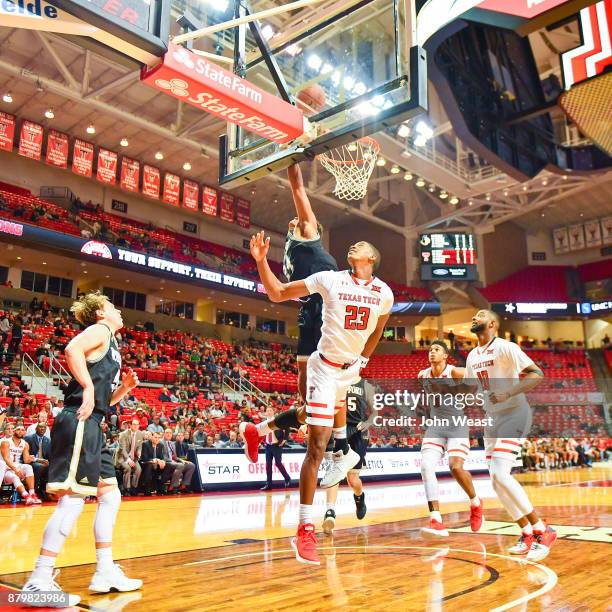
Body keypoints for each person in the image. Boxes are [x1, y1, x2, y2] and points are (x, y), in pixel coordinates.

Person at [244, 231, 393, 565]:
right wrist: (260, 262)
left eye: (363, 243)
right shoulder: (329, 279)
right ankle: (304, 528)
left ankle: (258, 430)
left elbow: (379, 329)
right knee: (317, 445)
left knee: (310, 415)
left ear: (372, 259)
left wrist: (364, 361)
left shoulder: (385, 293)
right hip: (324, 368)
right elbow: (277, 292)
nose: (354, 244)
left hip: (350, 369)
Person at [22, 292, 142, 605]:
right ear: (101, 313)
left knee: (110, 494)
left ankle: (104, 570)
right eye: (114, 306)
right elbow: (71, 348)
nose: (119, 310)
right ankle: (39, 579)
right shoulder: (100, 331)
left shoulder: (112, 343)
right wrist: (88, 387)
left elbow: (102, 400)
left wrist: (123, 390)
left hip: (93, 422)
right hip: (79, 421)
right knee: (73, 501)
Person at [464, 309, 556, 562]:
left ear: (492, 323)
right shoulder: (472, 355)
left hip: (514, 412)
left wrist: (508, 393)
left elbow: (537, 374)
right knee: (495, 479)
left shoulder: (506, 347)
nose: (474, 317)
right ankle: (527, 533)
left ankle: (542, 530)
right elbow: (470, 386)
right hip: (492, 417)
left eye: (480, 315)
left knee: (502, 474)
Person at [417, 340, 482, 538]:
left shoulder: (455, 372)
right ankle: (436, 519)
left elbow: (478, 381)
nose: (432, 352)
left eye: (437, 350)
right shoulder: (423, 375)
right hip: (436, 426)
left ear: (445, 356)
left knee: (455, 467)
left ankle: (475, 503)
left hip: (456, 425)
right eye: (430, 350)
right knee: (426, 467)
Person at [322, 377, 379, 535]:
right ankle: (330, 512)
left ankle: (359, 497)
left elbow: (375, 412)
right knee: (334, 472)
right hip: (338, 430)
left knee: (353, 480)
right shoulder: (337, 380)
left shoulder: (366, 385)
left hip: (358, 433)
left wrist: (368, 422)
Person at [0, 423, 41, 504]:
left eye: (22, 430)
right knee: (15, 477)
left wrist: (33, 459)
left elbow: (26, 460)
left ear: (25, 432)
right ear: (14, 431)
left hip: (17, 466)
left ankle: (32, 495)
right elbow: (6, 459)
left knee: (28, 467)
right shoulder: (5, 442)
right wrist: (16, 470)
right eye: (18, 429)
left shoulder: (25, 444)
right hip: (6, 469)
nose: (20, 431)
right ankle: (26, 496)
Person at [260, 406, 291, 491]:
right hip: (268, 446)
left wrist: (284, 440)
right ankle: (268, 484)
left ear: (273, 412)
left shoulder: (277, 420)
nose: (269, 412)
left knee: (278, 463)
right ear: (265, 413)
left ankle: (287, 478)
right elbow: (260, 433)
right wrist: (261, 442)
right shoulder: (263, 422)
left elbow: (287, 428)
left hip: (277, 445)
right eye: (267, 411)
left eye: (270, 411)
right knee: (268, 465)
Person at [160, 428, 195, 493]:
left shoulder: (172, 443)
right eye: (167, 433)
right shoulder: (160, 442)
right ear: (164, 434)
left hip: (174, 462)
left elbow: (175, 457)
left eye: (170, 433)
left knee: (191, 465)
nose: (168, 434)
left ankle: (184, 485)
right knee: (180, 465)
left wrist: (182, 460)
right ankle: (172, 487)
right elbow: (161, 456)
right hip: (166, 462)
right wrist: (171, 460)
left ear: (172, 435)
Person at [139, 431, 172, 495]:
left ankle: (160, 487)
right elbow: (144, 458)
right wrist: (157, 460)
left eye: (159, 438)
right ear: (151, 437)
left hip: (156, 464)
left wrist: (162, 461)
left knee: (168, 465)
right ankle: (147, 490)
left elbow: (162, 457)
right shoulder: (145, 444)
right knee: (150, 465)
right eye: (155, 437)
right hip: (145, 463)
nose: (157, 439)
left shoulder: (160, 445)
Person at [116, 419, 143, 495]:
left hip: (133, 457)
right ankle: (126, 489)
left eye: (137, 424)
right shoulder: (123, 434)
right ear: (130, 425)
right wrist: (128, 459)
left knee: (138, 469)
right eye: (134, 424)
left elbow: (139, 446)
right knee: (128, 468)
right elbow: (123, 449)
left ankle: (134, 488)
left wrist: (139, 452)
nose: (136, 426)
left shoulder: (140, 434)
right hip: (122, 457)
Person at [25, 423, 52, 500]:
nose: (42, 429)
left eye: (44, 428)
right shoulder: (28, 438)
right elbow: (25, 454)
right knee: (39, 466)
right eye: (40, 427)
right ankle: (34, 491)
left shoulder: (48, 440)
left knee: (52, 467)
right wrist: (38, 460)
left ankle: (45, 491)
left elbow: (50, 455)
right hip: (31, 461)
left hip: (44, 462)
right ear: (36, 429)